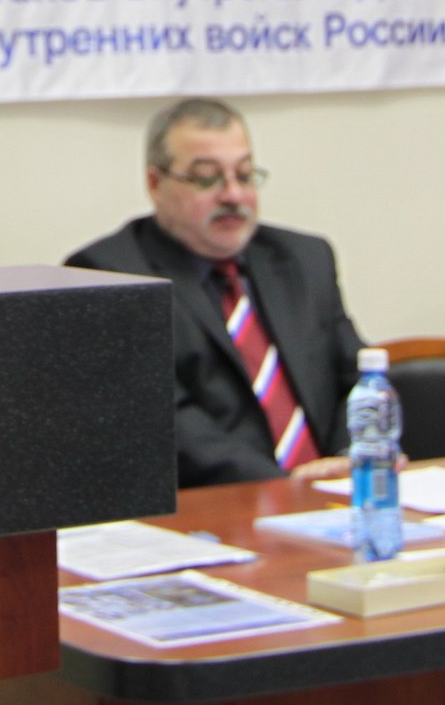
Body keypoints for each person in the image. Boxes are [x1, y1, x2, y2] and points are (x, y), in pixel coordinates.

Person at [67, 97, 366, 488]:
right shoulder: (109, 276)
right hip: (221, 503)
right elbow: (164, 421)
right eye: (207, 178)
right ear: (155, 184)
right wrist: (286, 486)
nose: (233, 195)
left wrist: (349, 459)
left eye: (244, 174)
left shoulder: (303, 259)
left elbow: (360, 378)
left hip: (336, 493)